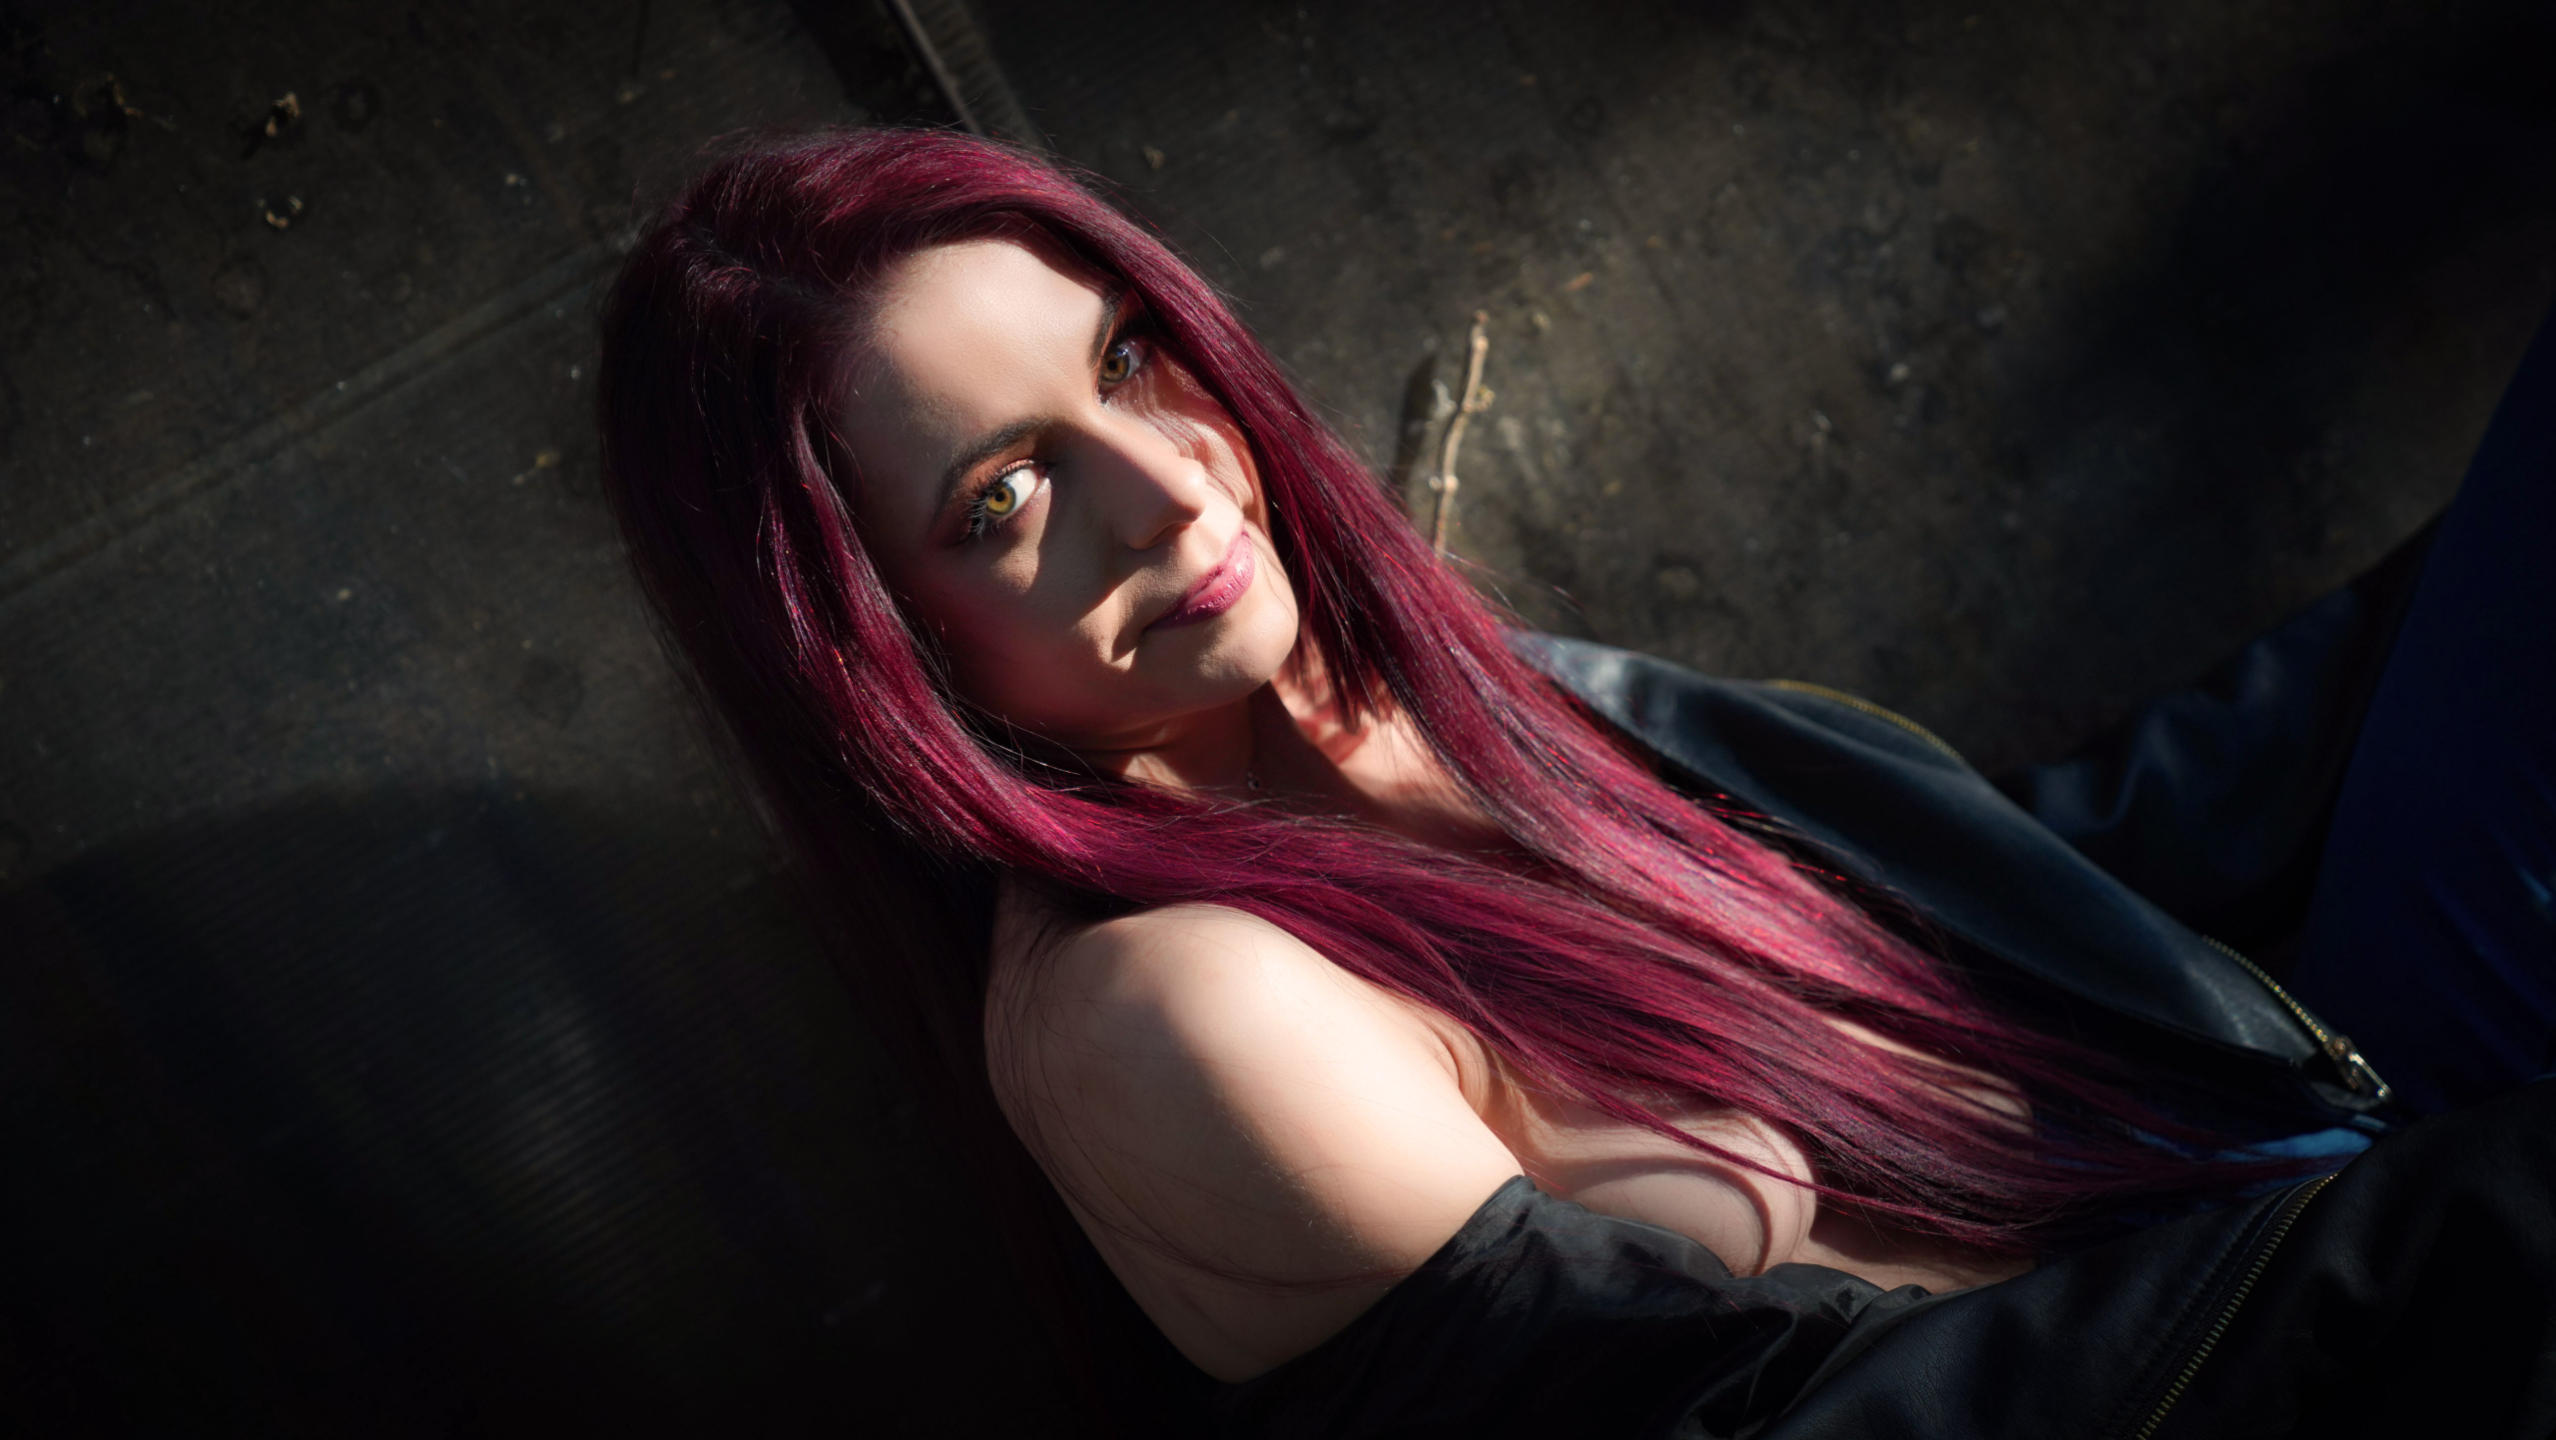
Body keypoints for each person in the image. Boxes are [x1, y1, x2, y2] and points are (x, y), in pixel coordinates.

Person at [594, 126, 2556, 1437]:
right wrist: (2463, 1232)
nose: (1170, 487)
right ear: (877, 654)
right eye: (1004, 498)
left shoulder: (1384, 693)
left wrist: (2443, 605)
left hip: (2308, 1140)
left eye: (1125, 360)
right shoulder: (1170, 1009)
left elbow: (2009, 895)